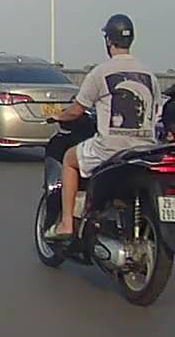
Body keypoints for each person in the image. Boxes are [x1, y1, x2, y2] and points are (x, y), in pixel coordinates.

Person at [48, 14, 160, 240]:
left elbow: (76, 110)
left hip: (109, 148)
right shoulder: (149, 74)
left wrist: (59, 116)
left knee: (69, 160)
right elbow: (155, 112)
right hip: (144, 150)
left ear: (108, 40)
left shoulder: (100, 72)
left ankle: (67, 224)